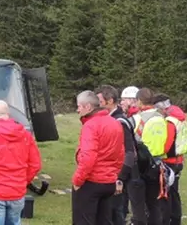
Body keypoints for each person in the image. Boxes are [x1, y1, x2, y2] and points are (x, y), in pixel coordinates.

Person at [71, 90, 125, 225]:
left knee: (83, 221)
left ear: (88, 107)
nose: (77, 110)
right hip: (108, 182)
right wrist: (114, 174)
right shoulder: (114, 122)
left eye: (79, 106)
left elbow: (88, 157)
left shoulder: (91, 125)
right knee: (104, 220)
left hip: (91, 181)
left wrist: (78, 180)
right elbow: (121, 153)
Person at [96, 85, 137, 225]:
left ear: (110, 100)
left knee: (116, 213)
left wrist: (120, 178)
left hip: (118, 177)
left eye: (100, 101)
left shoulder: (119, 121)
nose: (98, 105)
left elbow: (129, 152)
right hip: (109, 175)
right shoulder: (110, 119)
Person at [132, 88, 168, 225]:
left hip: (141, 164)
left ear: (139, 101)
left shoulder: (137, 119)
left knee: (138, 204)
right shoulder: (161, 118)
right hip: (158, 163)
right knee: (154, 204)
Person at [153, 94, 186, 225]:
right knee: (174, 192)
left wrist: (156, 153)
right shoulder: (179, 117)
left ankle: (168, 220)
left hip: (169, 161)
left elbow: (167, 145)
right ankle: (176, 219)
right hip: (178, 159)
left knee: (166, 195)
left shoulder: (170, 121)